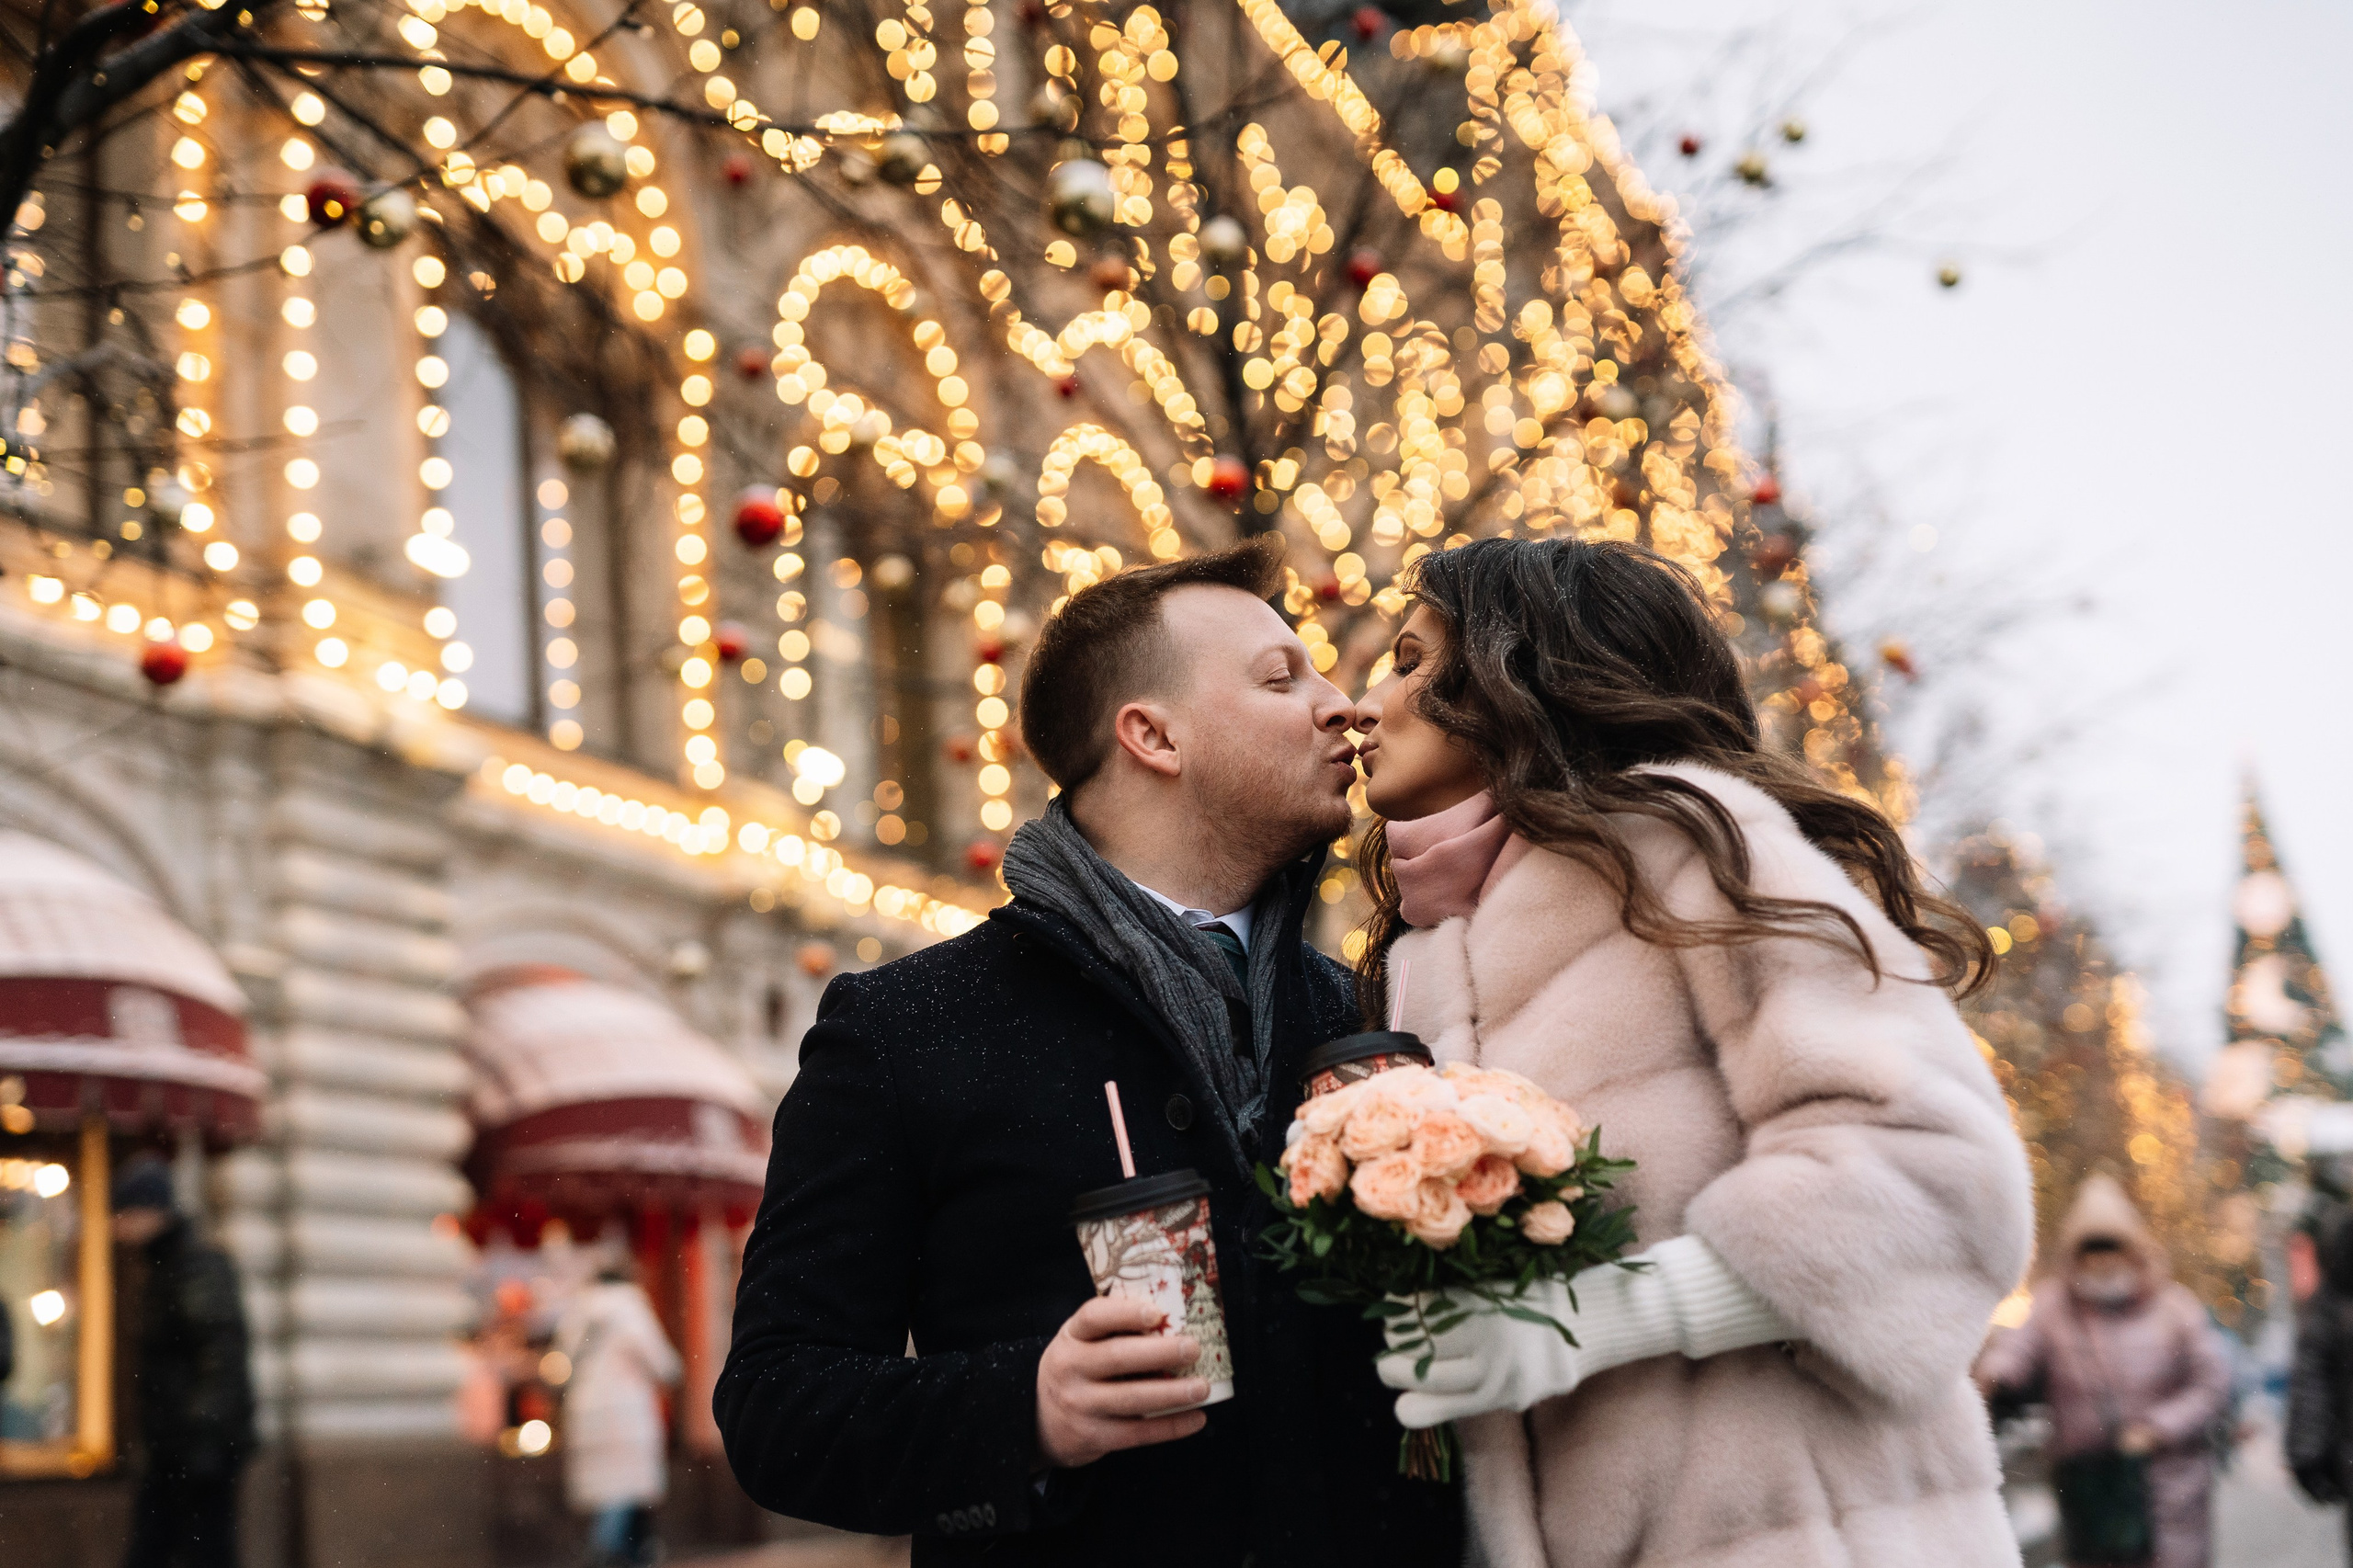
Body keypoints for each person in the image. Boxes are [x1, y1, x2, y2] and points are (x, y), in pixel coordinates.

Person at [716, 540, 1461, 1565]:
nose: (1344, 705)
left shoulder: (1369, 1005)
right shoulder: (902, 1027)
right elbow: (776, 1406)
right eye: (1282, 677)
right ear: (1152, 734)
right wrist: (1026, 1405)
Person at [1352, 537, 2034, 1567]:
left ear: (1513, 672)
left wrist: (1591, 1318)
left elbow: (1939, 1183)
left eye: (1408, 659)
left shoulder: (1695, 845)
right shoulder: (1422, 953)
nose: (1368, 701)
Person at [1978, 1175, 2232, 1568]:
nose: (2102, 1264)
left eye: (2111, 1251)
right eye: (2091, 1254)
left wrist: (2157, 1428)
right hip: (2088, 1484)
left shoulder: (2175, 1309)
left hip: (2168, 1484)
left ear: (2133, 1253)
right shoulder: (2052, 1308)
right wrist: (1994, 1374)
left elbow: (2212, 1383)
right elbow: (2018, 1351)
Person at [113, 1153, 256, 1568]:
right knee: (165, 1550)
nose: (117, 1226)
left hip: (196, 1451)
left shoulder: (193, 1267)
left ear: (150, 1211)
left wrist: (201, 1438)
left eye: (124, 1212)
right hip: (175, 1448)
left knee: (200, 1552)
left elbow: (220, 1355)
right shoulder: (165, 1267)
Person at [555, 1257, 682, 1568]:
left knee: (608, 1490)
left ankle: (626, 1552)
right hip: (625, 1414)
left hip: (584, 1413)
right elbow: (661, 1362)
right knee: (625, 1488)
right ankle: (604, 1552)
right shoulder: (631, 1308)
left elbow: (561, 1364)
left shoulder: (576, 1313)